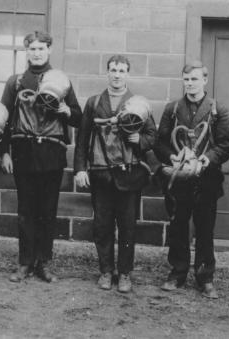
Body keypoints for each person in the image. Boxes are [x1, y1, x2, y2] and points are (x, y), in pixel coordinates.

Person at [0, 31, 82, 283]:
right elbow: (3, 119)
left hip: (52, 153)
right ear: (27, 51)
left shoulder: (61, 80)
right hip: (23, 152)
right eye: (32, 49)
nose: (37, 53)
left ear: (49, 50)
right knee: (25, 210)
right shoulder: (15, 82)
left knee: (47, 210)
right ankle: (24, 263)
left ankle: (44, 263)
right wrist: (3, 152)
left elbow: (78, 117)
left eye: (41, 49)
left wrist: (67, 110)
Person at [73, 55, 157, 293]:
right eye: (113, 70)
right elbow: (82, 139)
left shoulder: (138, 102)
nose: (117, 74)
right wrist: (80, 169)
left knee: (128, 226)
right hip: (101, 174)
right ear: (107, 72)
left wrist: (139, 139)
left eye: (121, 70)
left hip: (129, 175)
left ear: (128, 73)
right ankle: (106, 271)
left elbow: (153, 137)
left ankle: (125, 274)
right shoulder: (94, 102)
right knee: (102, 225)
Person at [154, 61, 229, 298]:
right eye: (186, 79)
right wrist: (173, 156)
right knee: (178, 226)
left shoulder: (218, 109)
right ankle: (177, 272)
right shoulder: (172, 108)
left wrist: (207, 159)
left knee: (205, 228)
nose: (190, 84)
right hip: (179, 178)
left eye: (195, 79)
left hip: (206, 178)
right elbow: (159, 142)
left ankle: (205, 277)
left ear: (205, 81)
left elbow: (226, 145)